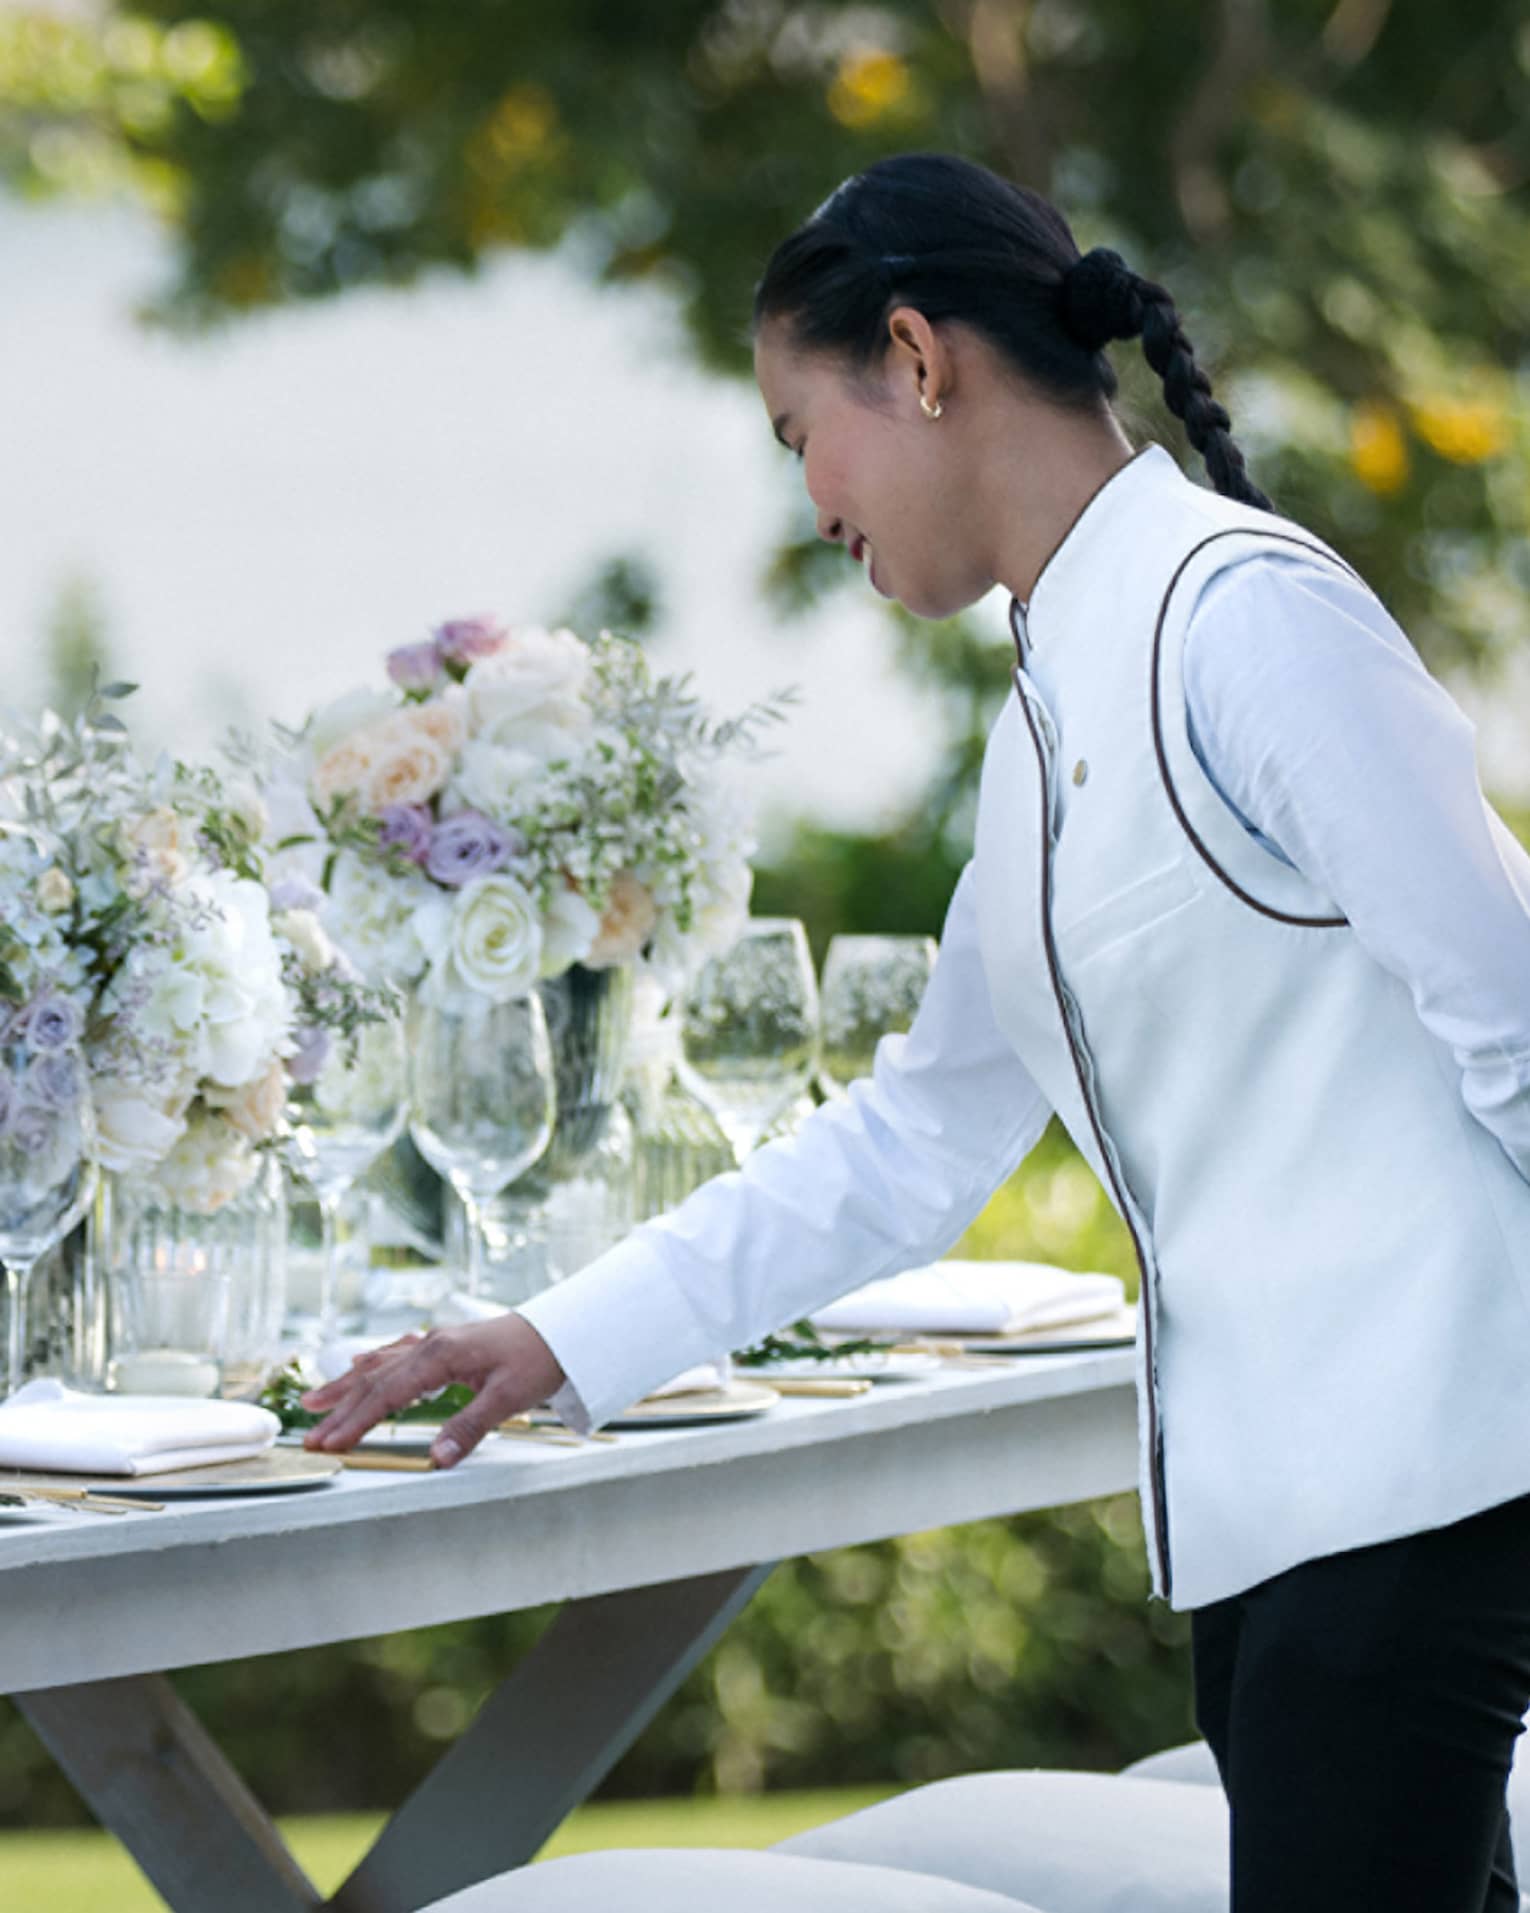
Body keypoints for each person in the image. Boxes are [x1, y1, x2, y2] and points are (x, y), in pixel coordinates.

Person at [303, 153, 1530, 1910]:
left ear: (916, 357)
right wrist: (557, 1337)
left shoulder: (1242, 616)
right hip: (1279, 1535)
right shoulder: (1046, 721)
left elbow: (1513, 1025)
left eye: (801, 429)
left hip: (1417, 1495)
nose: (809, 496)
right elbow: (911, 1139)